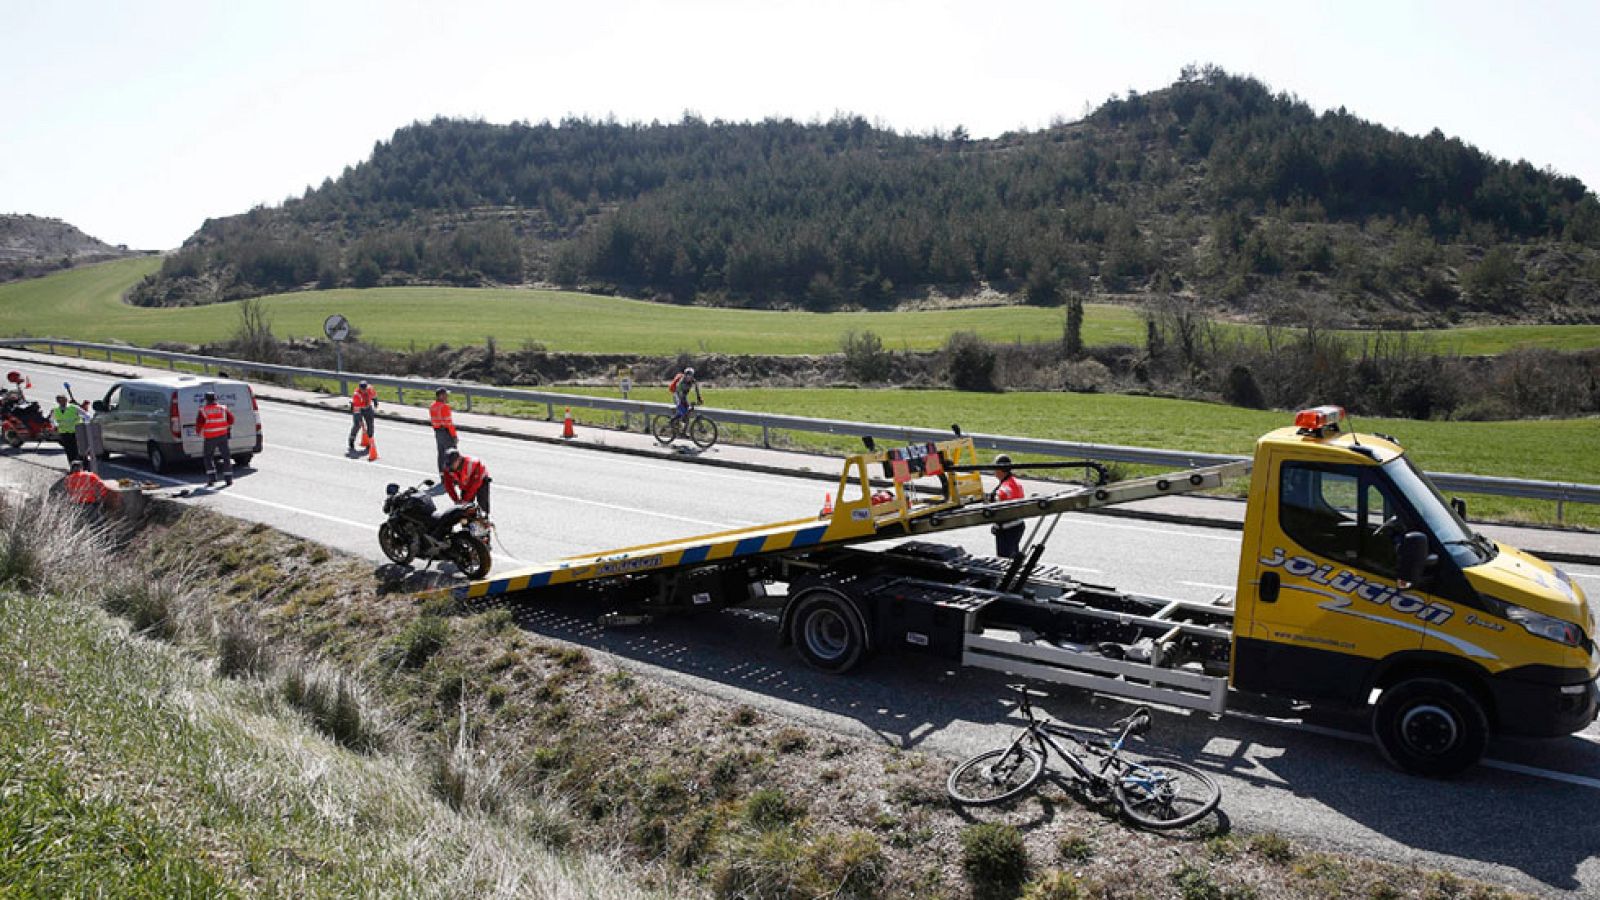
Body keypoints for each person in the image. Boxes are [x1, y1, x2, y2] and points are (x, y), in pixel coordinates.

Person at [987, 454, 1026, 559]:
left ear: (1000, 470)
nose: (993, 470)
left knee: (1004, 559)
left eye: (995, 468)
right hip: (1017, 525)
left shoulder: (1004, 489)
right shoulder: (1015, 482)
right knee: (1012, 556)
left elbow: (997, 508)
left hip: (1007, 529)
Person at [194, 390, 236, 486]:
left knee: (208, 457)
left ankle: (212, 478)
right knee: (226, 457)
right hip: (222, 435)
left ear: (206, 400)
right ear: (215, 399)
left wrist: (198, 432)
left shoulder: (203, 410)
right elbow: (231, 420)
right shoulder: (223, 408)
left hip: (210, 437)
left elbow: (199, 423)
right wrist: (225, 426)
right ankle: (228, 479)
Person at [442, 448, 491, 516]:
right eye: (448, 464)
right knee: (464, 510)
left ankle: (486, 522)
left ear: (458, 460)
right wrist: (456, 500)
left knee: (482, 506)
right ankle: (467, 524)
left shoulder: (473, 464)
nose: (450, 467)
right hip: (465, 483)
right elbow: (448, 485)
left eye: (452, 464)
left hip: (481, 481)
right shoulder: (448, 467)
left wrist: (465, 500)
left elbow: (474, 485)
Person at [429, 387, 458, 472]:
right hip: (446, 433)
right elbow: (449, 423)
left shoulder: (432, 406)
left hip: (438, 433)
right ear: (441, 396)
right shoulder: (444, 407)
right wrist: (454, 436)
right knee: (452, 454)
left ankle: (442, 474)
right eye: (445, 395)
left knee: (441, 454)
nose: (447, 397)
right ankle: (451, 475)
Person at [50, 394, 82, 462]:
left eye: (62, 400)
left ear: (66, 400)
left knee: (76, 450)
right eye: (59, 400)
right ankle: (72, 465)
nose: (61, 402)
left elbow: (86, 416)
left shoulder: (74, 407)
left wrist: (83, 426)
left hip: (75, 432)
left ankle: (80, 466)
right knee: (68, 450)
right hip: (64, 432)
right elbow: (52, 419)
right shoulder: (55, 410)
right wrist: (55, 426)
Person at [348, 380, 378, 452]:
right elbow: (357, 409)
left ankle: (369, 442)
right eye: (362, 389)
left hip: (368, 408)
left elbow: (374, 396)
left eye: (365, 389)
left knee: (370, 424)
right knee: (357, 425)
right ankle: (351, 439)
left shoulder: (370, 389)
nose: (364, 391)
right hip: (358, 408)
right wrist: (360, 420)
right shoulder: (357, 395)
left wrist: (375, 402)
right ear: (359, 388)